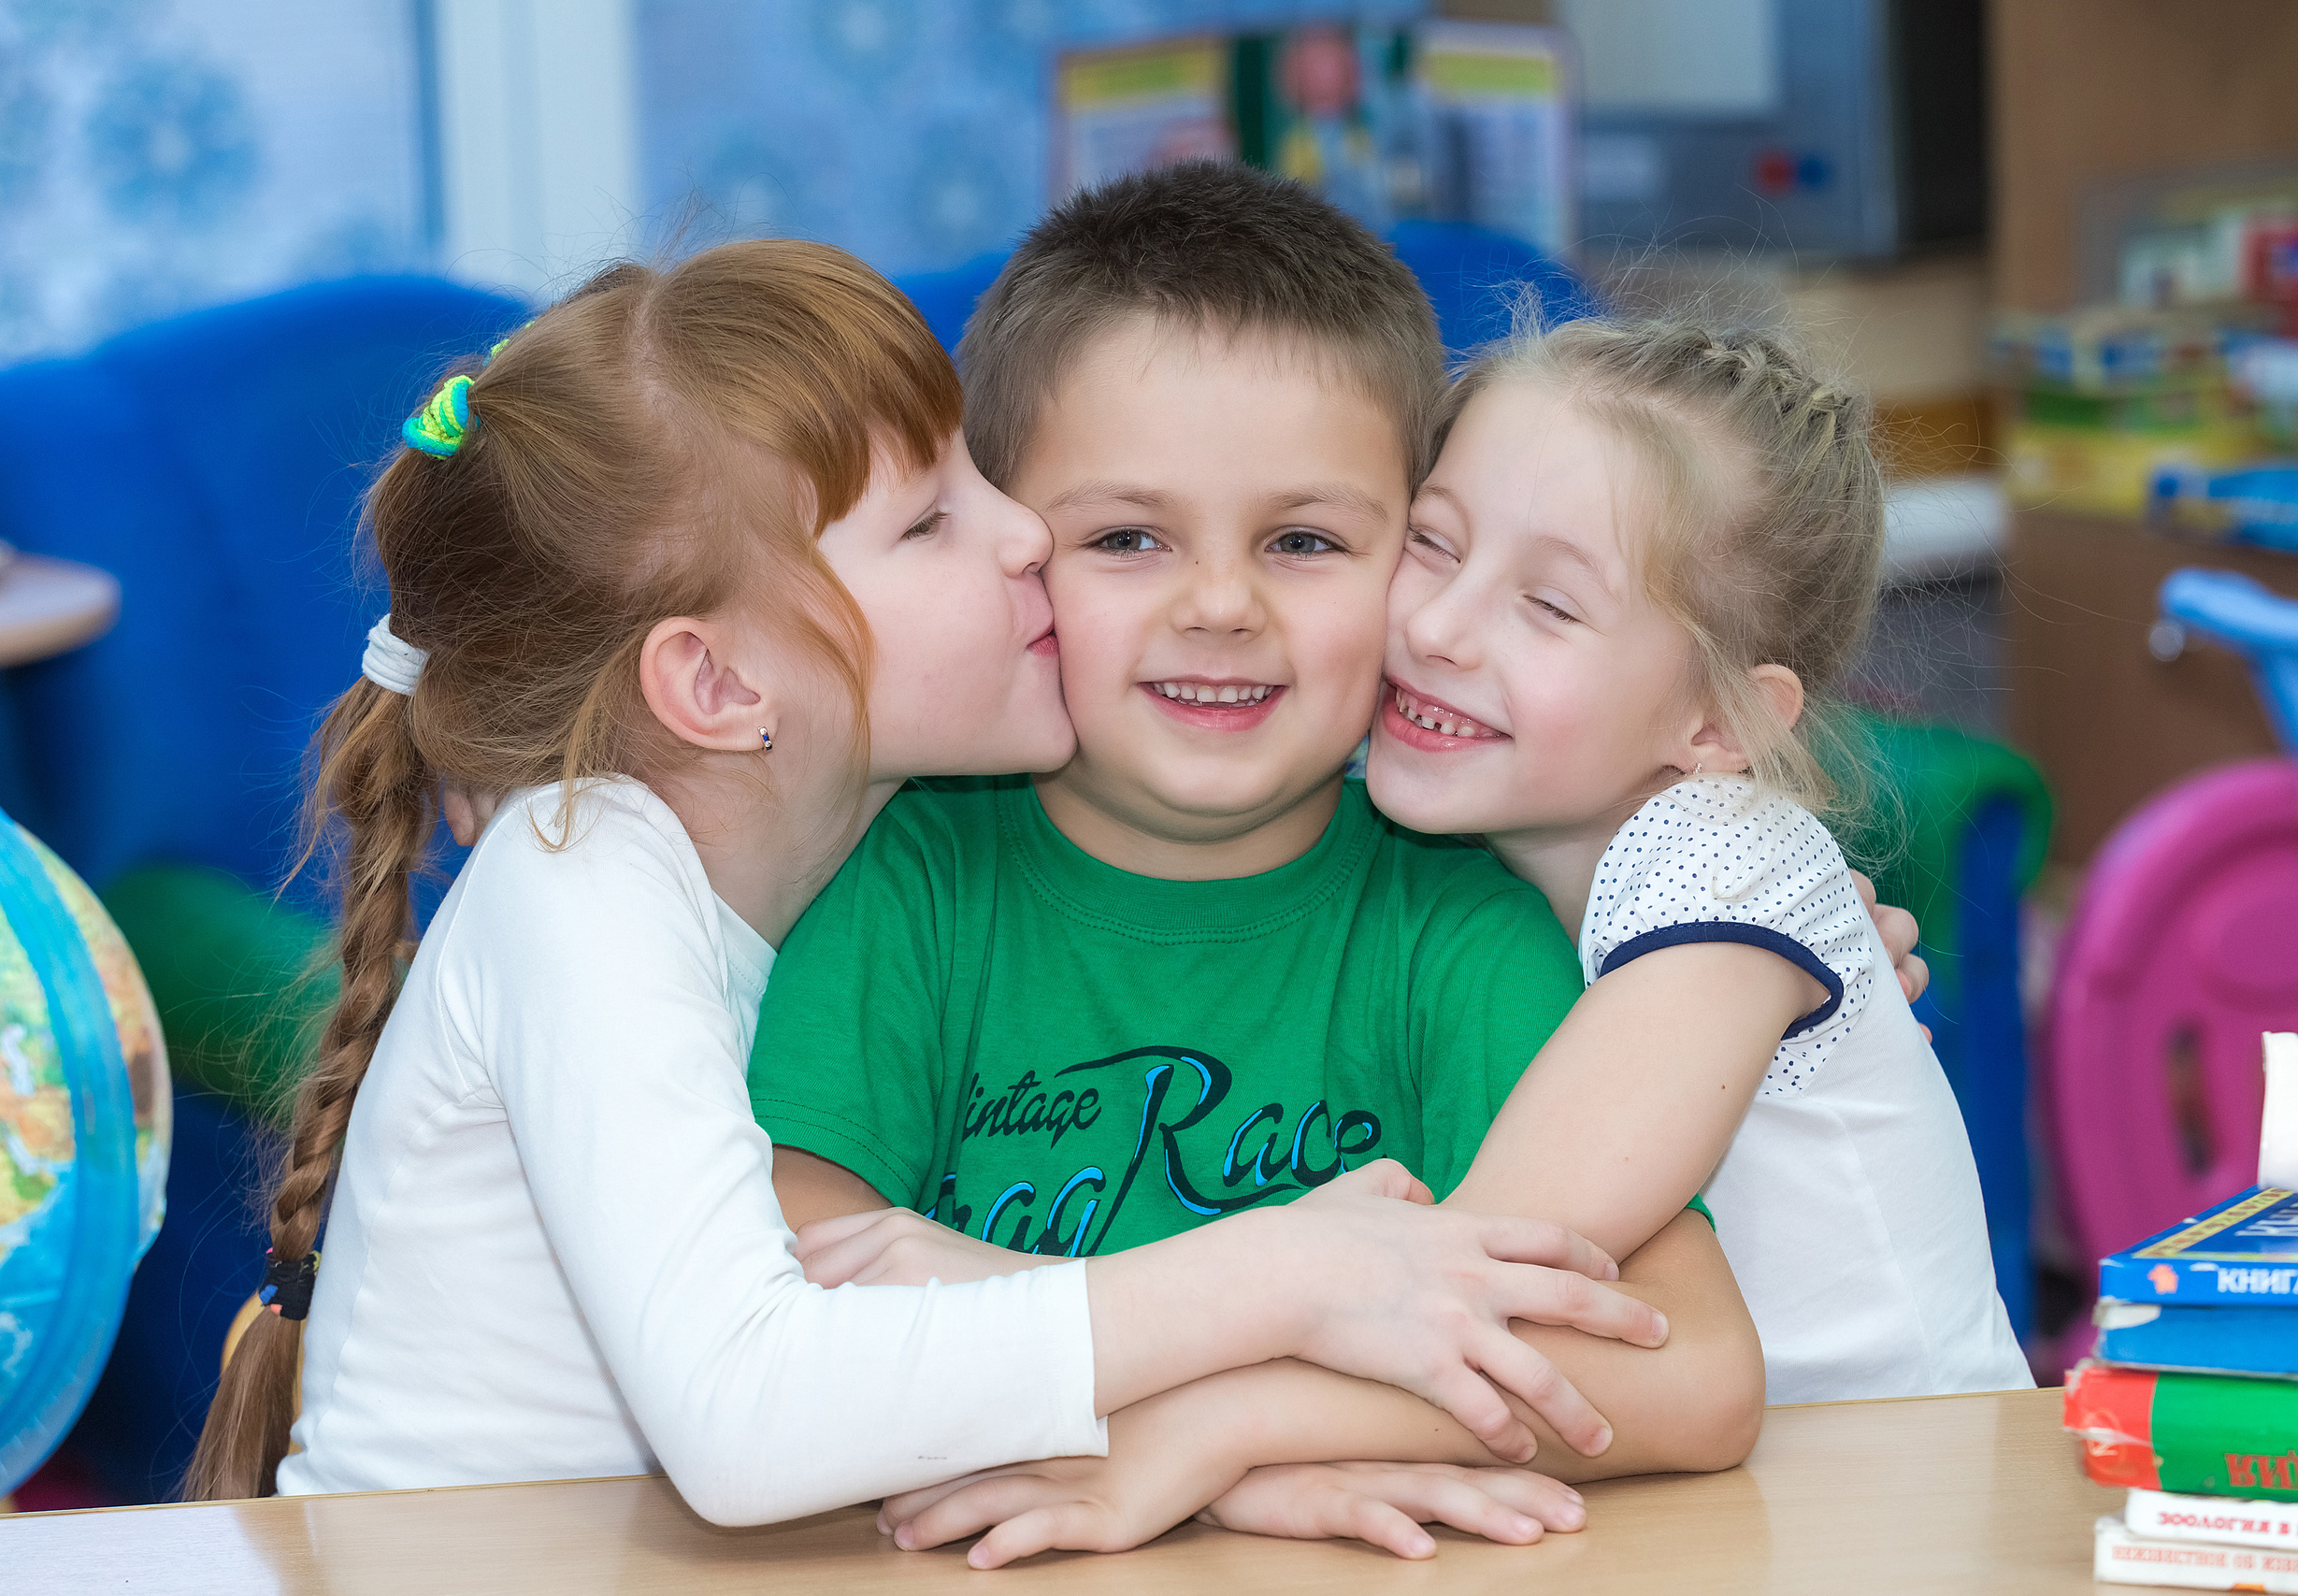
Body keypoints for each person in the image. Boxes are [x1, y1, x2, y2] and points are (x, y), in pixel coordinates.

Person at [181, 241, 1672, 1519]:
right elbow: (752, 1414)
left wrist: (1689, 916)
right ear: (714, 681)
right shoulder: (582, 882)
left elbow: (874, 1382)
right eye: (933, 518)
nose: (1028, 529)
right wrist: (1287, 1274)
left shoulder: (785, 873)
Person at [753, 163, 1929, 1566]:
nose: (1220, 605)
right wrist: (1239, 1438)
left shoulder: (1464, 919)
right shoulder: (910, 875)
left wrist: (1185, 1432)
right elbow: (777, 1326)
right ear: (1015, 547)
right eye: (1126, 537)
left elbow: (1678, 1367)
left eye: (1305, 541)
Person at [1366, 318, 2034, 1404]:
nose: (1437, 624)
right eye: (1432, 541)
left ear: (1720, 724)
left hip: (1903, 1513)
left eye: (1549, 604)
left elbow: (1490, 1260)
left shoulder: (1726, 857)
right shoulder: (1481, 826)